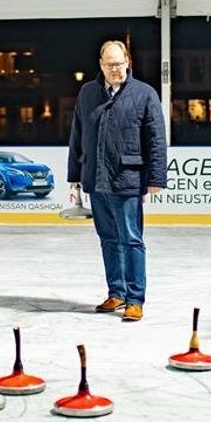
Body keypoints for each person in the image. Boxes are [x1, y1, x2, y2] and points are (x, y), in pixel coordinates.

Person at [67, 39, 167, 322]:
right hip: (95, 179)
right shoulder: (87, 93)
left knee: (131, 239)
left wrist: (157, 177)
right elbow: (77, 136)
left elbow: (156, 139)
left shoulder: (144, 94)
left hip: (128, 179)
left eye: (119, 64)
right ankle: (117, 292)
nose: (115, 69)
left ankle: (135, 299)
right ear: (101, 64)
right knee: (108, 239)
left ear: (128, 62)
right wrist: (75, 176)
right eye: (110, 65)